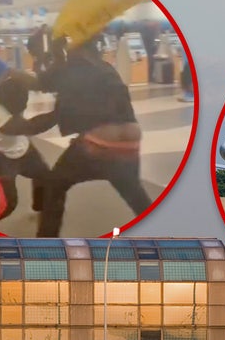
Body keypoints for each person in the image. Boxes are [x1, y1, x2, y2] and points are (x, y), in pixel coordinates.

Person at [36, 36, 153, 237]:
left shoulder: (71, 68)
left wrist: (56, 54)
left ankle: (45, 244)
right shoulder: (106, 67)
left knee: (54, 184)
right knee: (136, 195)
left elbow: (41, 83)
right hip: (130, 141)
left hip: (99, 144)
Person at [0, 70, 57, 231]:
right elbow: (30, 127)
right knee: (6, 204)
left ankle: (40, 207)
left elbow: (11, 71)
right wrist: (59, 113)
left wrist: (42, 84)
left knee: (45, 177)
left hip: (20, 145)